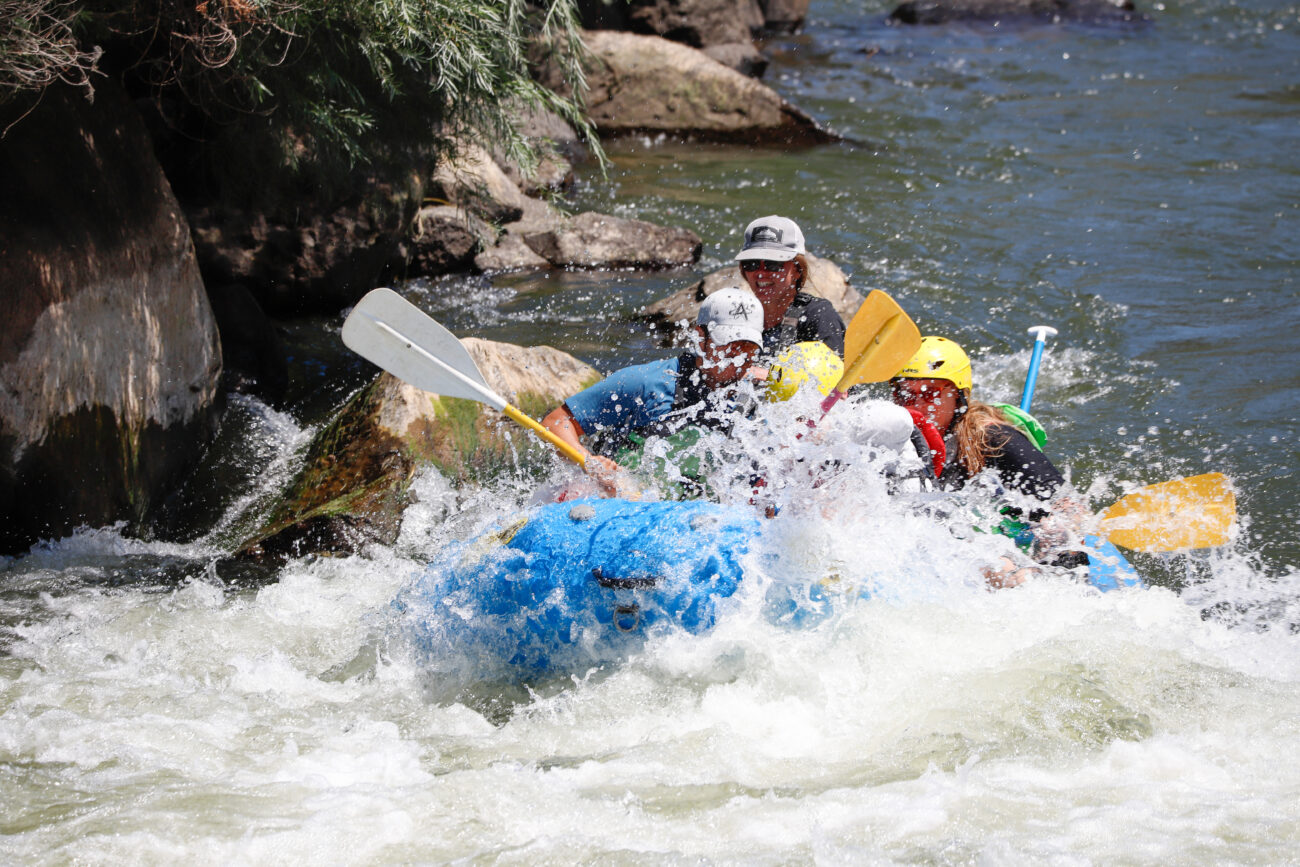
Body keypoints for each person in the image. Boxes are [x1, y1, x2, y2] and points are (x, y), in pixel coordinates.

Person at [889, 336, 1091, 582]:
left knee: (1002, 566)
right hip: (947, 535)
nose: (917, 405)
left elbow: (1068, 506)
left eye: (930, 393)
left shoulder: (994, 438)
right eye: (904, 394)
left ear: (959, 396)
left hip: (1008, 537)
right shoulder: (894, 438)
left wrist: (1061, 555)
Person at [542, 286, 764, 494]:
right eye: (728, 347)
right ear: (700, 338)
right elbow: (555, 423)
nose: (738, 359)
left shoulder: (754, 398)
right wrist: (589, 462)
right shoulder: (644, 382)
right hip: (621, 500)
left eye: (748, 348)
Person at [734, 215, 846, 360]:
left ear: (797, 270)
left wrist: (767, 376)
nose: (760, 272)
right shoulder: (735, 316)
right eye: (751, 264)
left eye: (772, 264)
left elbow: (836, 377)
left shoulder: (817, 315)